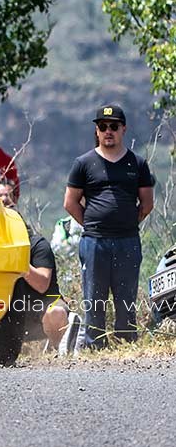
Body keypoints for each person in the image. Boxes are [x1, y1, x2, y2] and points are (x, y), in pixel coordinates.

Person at [64, 104, 155, 349]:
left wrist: (127, 223)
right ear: (97, 130)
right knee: (94, 297)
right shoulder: (83, 163)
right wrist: (93, 224)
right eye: (103, 126)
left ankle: (126, 343)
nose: (108, 131)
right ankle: (94, 346)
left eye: (113, 126)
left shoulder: (138, 163)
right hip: (94, 242)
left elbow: (147, 204)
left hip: (128, 240)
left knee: (126, 297)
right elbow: (70, 202)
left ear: (123, 129)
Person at [13, 218, 70, 351]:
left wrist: (18, 260)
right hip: (11, 306)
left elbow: (42, 285)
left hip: (43, 302)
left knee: (56, 312)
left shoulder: (38, 245)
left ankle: (56, 349)